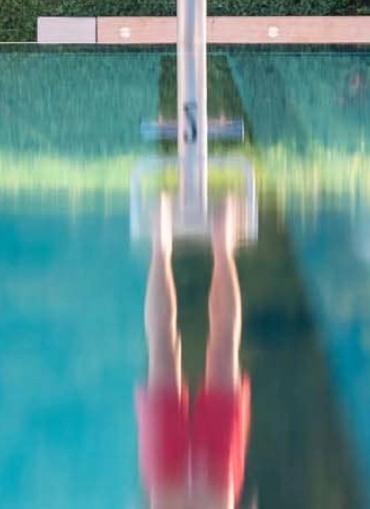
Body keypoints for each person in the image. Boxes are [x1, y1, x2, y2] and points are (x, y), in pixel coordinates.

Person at [137, 193, 252, 509]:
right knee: (166, 345)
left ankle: (215, 241)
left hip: (201, 494)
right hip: (194, 494)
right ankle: (166, 242)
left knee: (219, 345)